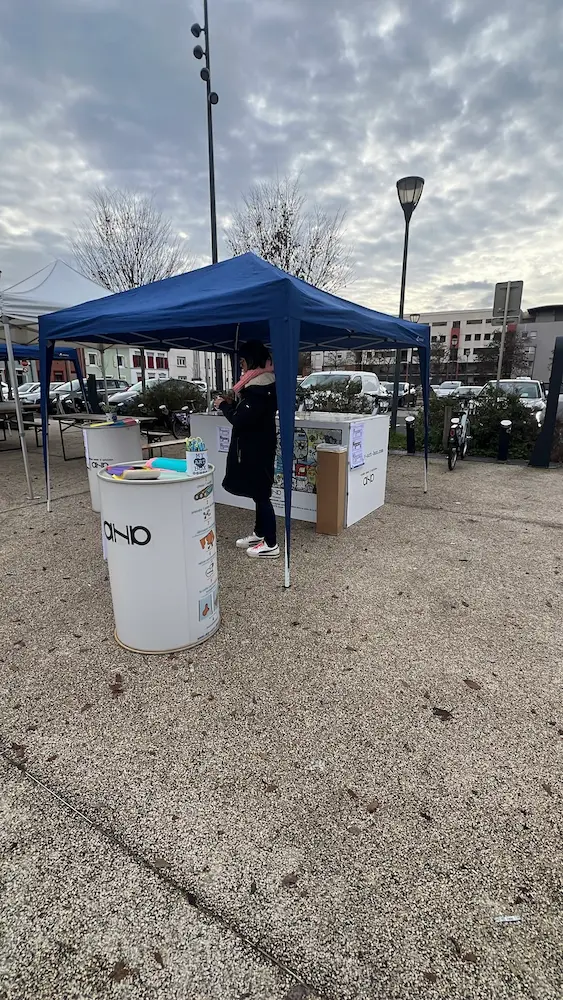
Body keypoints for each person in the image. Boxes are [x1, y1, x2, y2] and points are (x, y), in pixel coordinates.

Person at [213, 341, 279, 559]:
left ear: (251, 360)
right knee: (258, 493)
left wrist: (224, 405)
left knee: (261, 494)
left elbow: (240, 419)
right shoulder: (256, 385)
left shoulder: (260, 387)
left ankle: (271, 543)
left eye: (242, 362)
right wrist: (233, 402)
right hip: (256, 447)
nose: (241, 367)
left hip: (257, 449)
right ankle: (260, 534)